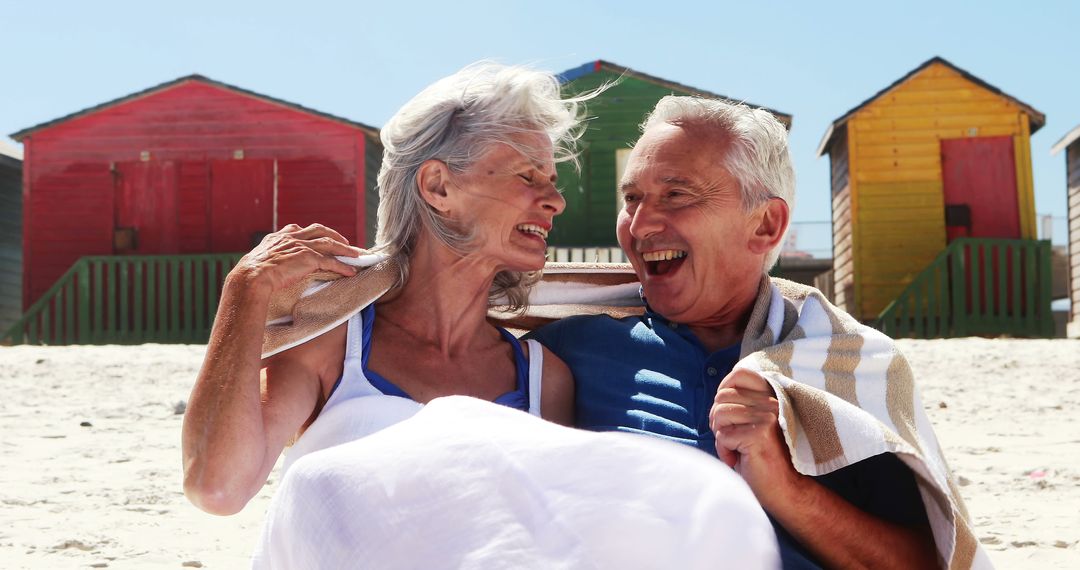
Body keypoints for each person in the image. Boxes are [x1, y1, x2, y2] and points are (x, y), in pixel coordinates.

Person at [528, 96, 984, 569]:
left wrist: (785, 488)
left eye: (676, 194)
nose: (640, 225)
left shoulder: (846, 367)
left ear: (766, 224)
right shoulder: (570, 352)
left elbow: (928, 562)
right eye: (632, 199)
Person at [181, 62, 584, 516]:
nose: (556, 200)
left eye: (551, 181)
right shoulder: (329, 347)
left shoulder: (542, 379)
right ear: (438, 186)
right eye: (527, 176)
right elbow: (217, 487)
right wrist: (245, 289)